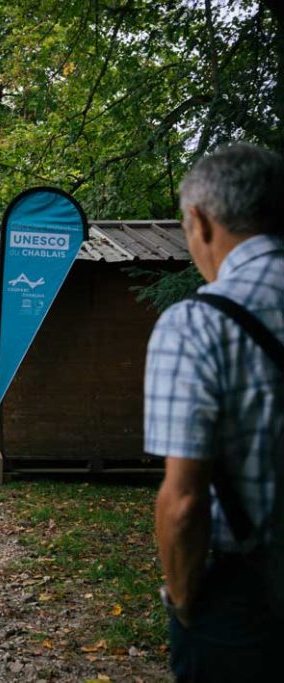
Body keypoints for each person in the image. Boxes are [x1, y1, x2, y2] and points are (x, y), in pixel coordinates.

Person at [145, 142, 284, 681]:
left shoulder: (198, 324)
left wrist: (183, 601)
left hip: (246, 602)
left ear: (200, 221)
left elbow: (183, 503)